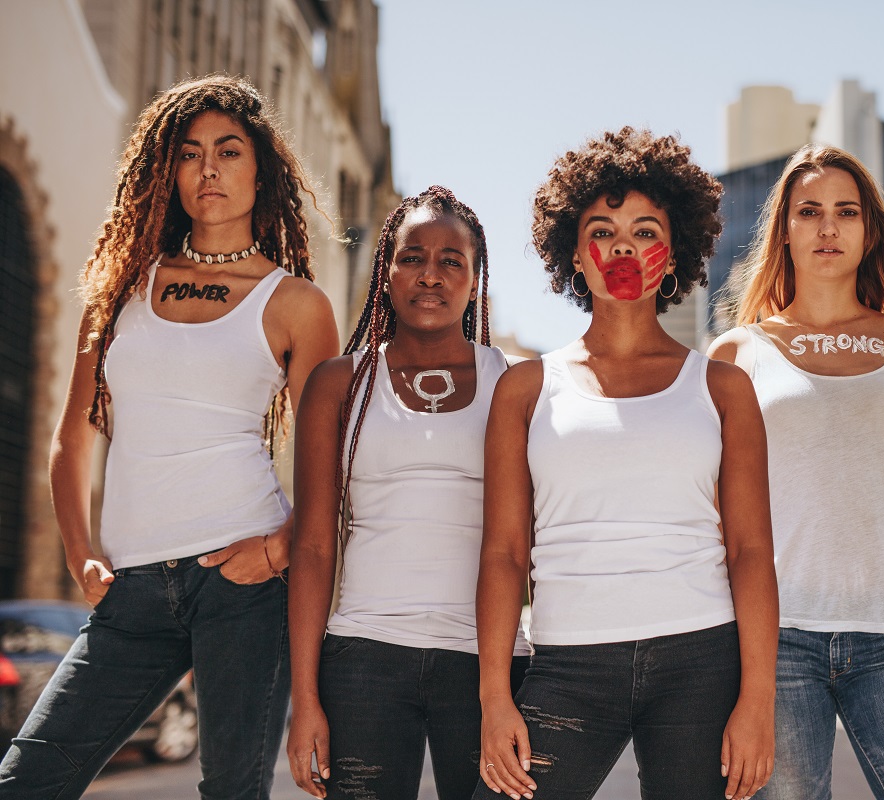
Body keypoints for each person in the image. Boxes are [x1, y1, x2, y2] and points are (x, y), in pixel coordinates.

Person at [0, 75, 340, 799]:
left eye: (228, 151)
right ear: (169, 170)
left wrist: (277, 548)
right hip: (133, 592)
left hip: (241, 584)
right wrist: (79, 552)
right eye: (190, 153)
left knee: (230, 790)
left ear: (261, 172)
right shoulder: (121, 289)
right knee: (28, 778)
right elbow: (71, 439)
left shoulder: (296, 304)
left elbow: (331, 459)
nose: (208, 169)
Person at [473, 127, 778, 800]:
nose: (623, 248)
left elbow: (752, 550)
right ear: (575, 256)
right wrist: (496, 697)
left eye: (645, 232)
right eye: (603, 231)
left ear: (673, 257)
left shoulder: (723, 389)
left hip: (701, 659)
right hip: (567, 661)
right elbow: (502, 553)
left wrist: (757, 700)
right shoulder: (524, 389)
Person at [709, 144, 884, 800]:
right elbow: (720, 516)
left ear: (870, 231)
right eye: (809, 212)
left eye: (846, 211)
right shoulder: (735, 354)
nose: (828, 226)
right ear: (784, 228)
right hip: (773, 642)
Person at [287, 186, 530, 799]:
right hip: (365, 657)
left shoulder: (516, 383)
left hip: (489, 664)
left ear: (475, 281)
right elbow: (314, 546)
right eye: (413, 256)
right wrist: (306, 698)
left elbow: (535, 539)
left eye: (453, 261)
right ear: (386, 269)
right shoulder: (340, 383)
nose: (431, 275)